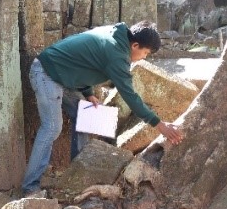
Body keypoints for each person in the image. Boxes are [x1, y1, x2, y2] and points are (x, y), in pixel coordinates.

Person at [22, 21, 184, 197]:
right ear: (135, 45)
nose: (144, 57)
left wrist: (88, 92)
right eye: (144, 53)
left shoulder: (117, 35)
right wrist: (159, 124)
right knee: (52, 127)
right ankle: (30, 187)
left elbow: (84, 60)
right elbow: (130, 96)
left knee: (85, 116)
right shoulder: (117, 55)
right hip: (46, 72)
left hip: (63, 75)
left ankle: (77, 173)